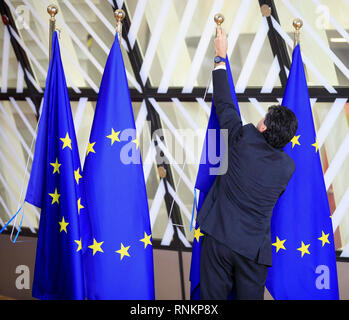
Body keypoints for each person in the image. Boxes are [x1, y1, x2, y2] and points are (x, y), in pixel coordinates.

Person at [197, 28, 298, 300]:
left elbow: (225, 105)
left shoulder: (243, 139)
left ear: (264, 127)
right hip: (253, 252)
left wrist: (220, 57)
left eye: (263, 118)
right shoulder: (287, 168)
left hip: (219, 238)